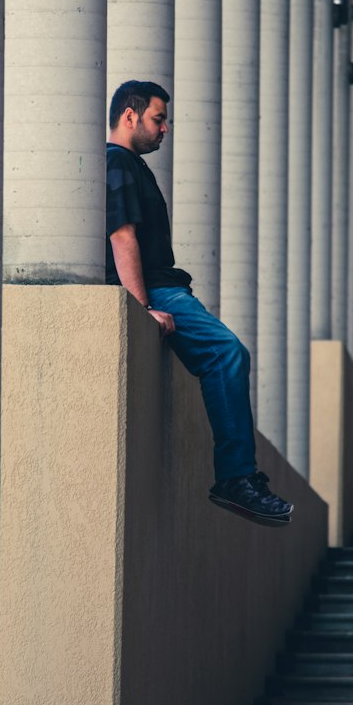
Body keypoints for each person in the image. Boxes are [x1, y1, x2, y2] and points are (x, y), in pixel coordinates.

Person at [105, 79, 293, 527]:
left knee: (228, 354)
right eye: (158, 117)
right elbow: (121, 235)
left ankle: (237, 476)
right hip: (157, 290)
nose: (165, 128)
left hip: (165, 289)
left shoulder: (130, 164)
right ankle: (235, 478)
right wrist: (141, 307)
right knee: (227, 353)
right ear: (129, 116)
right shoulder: (117, 162)